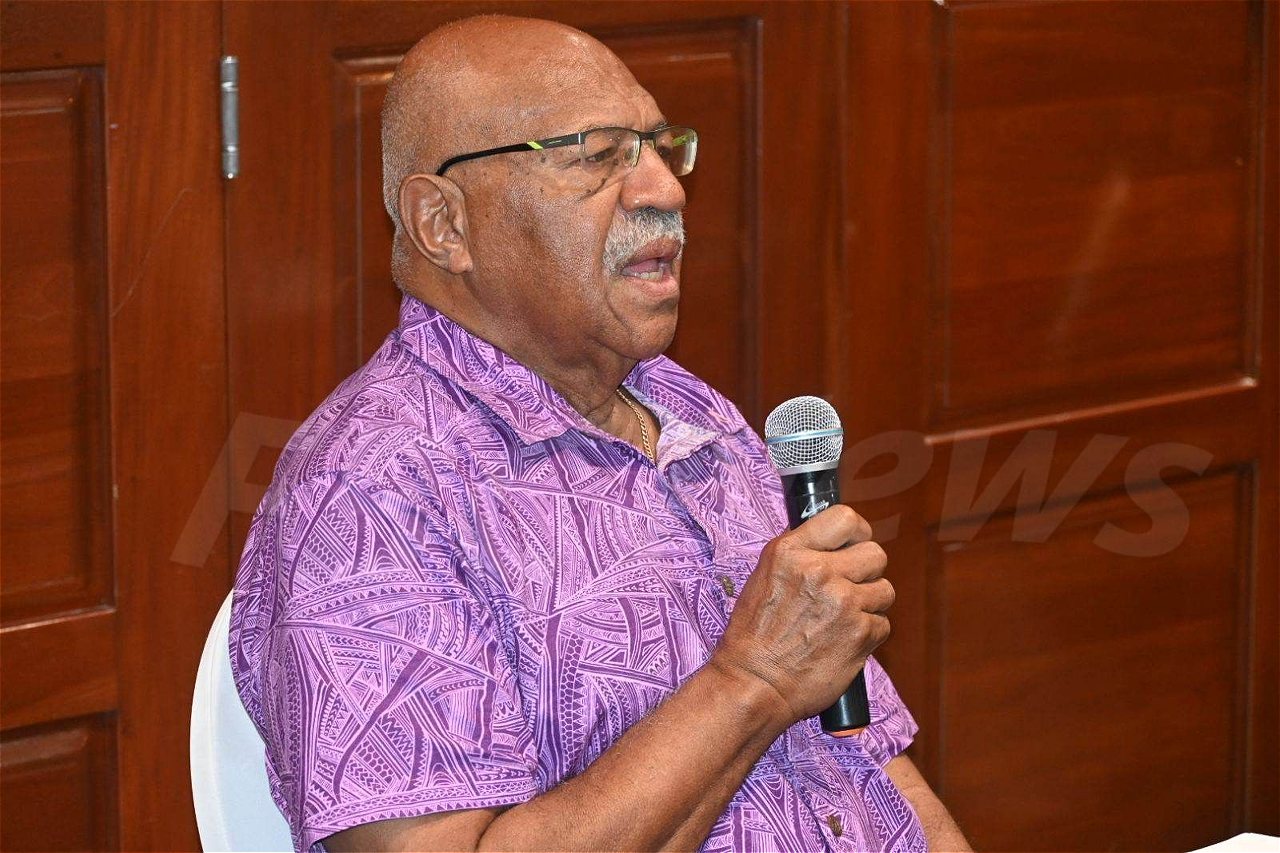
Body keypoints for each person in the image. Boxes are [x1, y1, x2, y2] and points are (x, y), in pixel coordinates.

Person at [229, 14, 971, 853]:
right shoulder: (371, 490)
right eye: (595, 155)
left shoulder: (691, 414)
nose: (665, 191)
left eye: (660, 148)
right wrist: (753, 681)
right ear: (444, 223)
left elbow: (870, 760)